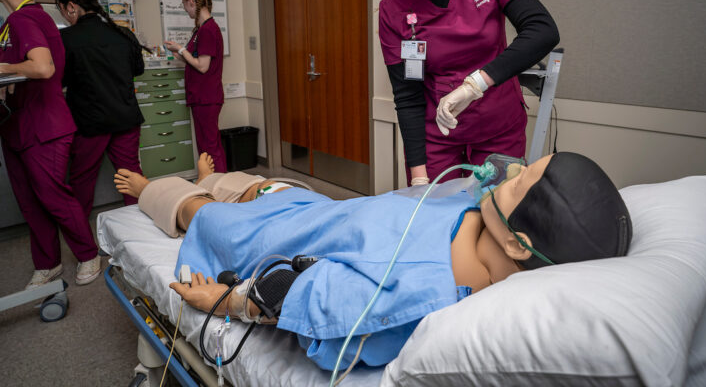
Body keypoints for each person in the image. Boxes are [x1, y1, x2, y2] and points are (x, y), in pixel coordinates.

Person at [114, 151, 632, 370]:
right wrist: (500, 177)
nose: (511, 170)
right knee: (264, 186)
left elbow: (300, 300)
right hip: (318, 208)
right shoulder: (482, 212)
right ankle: (214, 174)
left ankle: (154, 188)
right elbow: (487, 174)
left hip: (271, 237)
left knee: (203, 214)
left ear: (520, 244)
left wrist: (226, 300)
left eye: (521, 180)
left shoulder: (411, 295)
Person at [378, 0, 560, 186]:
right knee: (437, 225)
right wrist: (419, 176)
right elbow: (407, 96)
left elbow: (543, 30)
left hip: (499, 130)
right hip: (438, 140)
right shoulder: (394, 8)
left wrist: (475, 84)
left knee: (494, 219)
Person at [0, 0, 101, 289]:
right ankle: (48, 264)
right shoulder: (16, 21)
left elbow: (43, 67)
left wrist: (5, 68)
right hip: (18, 125)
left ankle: (88, 254)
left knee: (54, 197)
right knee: (30, 202)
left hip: (43, 126)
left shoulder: (23, 19)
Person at [55, 0, 147, 213]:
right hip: (125, 118)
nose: (65, 18)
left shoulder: (65, 38)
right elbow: (137, 70)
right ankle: (142, 233)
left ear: (72, 7)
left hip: (90, 123)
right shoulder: (123, 33)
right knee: (132, 178)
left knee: (82, 181)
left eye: (63, 12)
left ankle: (84, 243)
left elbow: (60, 80)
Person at [163, 0, 227, 172]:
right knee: (206, 147)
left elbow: (203, 66)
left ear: (191, 2)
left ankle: (221, 187)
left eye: (185, 5)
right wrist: (180, 54)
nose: (186, 11)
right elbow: (196, 61)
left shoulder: (208, 30)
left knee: (210, 148)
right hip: (201, 97)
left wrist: (181, 49)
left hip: (206, 97)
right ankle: (212, 184)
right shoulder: (201, 30)